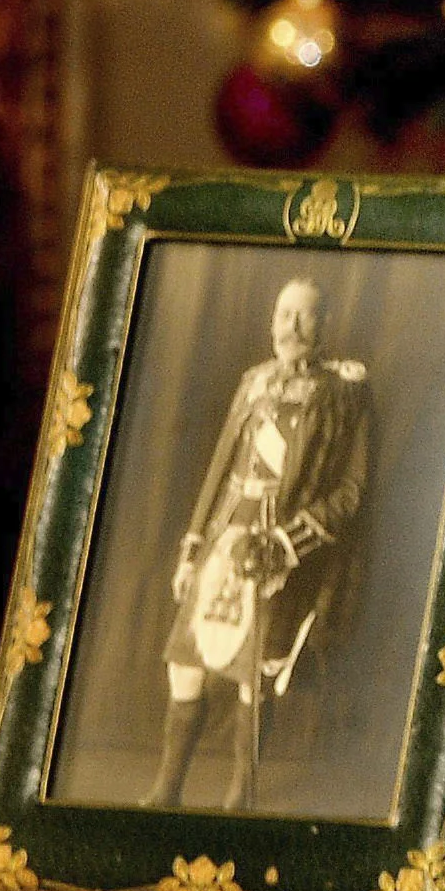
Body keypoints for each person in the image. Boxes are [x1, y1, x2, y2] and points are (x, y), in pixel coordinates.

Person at [143, 277, 368, 811]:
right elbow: (220, 469)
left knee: (254, 675)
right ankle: (166, 790)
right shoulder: (252, 383)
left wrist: (288, 544)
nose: (291, 326)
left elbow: (352, 491)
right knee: (187, 660)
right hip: (227, 537)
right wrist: (194, 549)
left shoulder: (344, 394)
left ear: (325, 324)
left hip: (281, 550)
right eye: (283, 313)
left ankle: (240, 797)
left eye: (304, 315)